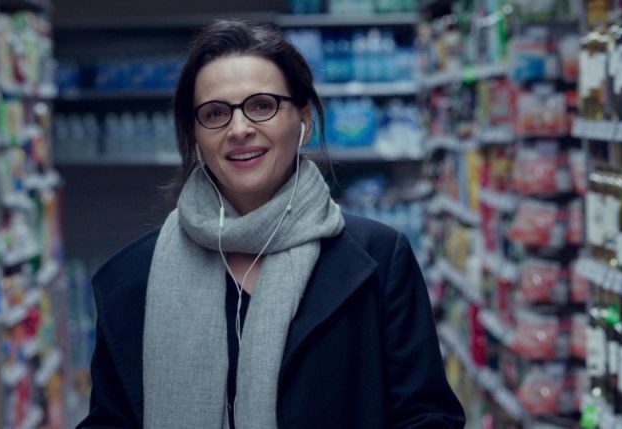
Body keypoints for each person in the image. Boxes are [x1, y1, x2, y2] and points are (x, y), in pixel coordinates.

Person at [78, 19, 465, 429]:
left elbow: (428, 418)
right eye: (215, 113)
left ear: (304, 120)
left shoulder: (378, 262)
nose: (239, 129)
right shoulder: (134, 281)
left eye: (262, 106)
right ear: (195, 135)